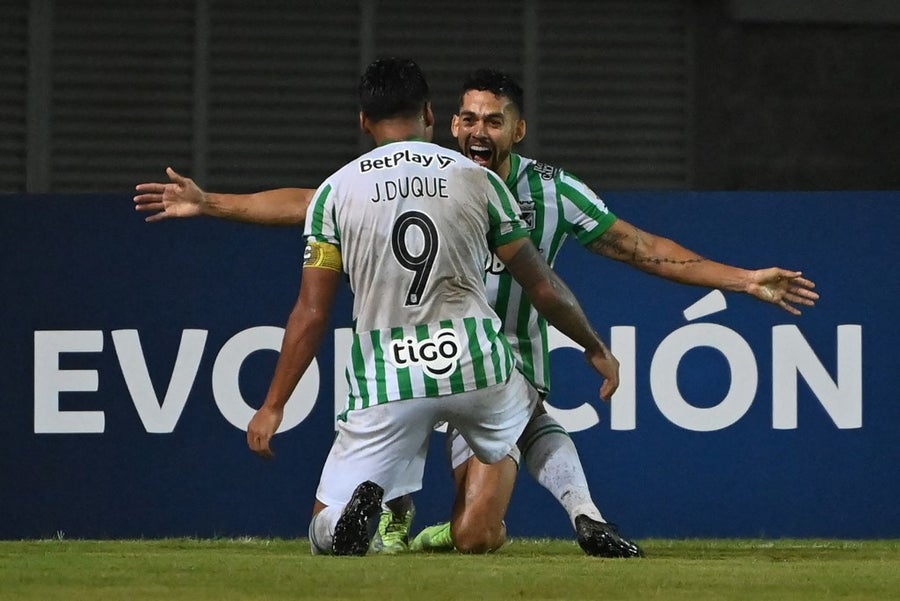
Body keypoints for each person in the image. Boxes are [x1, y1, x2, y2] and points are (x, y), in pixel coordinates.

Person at [134, 69, 819, 557]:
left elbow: (639, 247)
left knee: (475, 536)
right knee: (501, 413)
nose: (477, 130)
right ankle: (427, 512)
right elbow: (310, 201)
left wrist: (741, 279)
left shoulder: (544, 191)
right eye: (468, 118)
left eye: (493, 121)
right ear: (444, 119)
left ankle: (400, 520)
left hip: (446, 366)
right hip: (479, 369)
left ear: (519, 129)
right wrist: (214, 201)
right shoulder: (445, 176)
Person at [243, 57, 619, 556]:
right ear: (429, 114)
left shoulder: (335, 192)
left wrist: (273, 405)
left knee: (323, 526)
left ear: (364, 120)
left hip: (390, 375)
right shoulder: (477, 179)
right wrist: (593, 346)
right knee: (530, 416)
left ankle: (348, 523)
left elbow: (311, 314)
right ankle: (584, 511)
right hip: (475, 362)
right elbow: (542, 286)